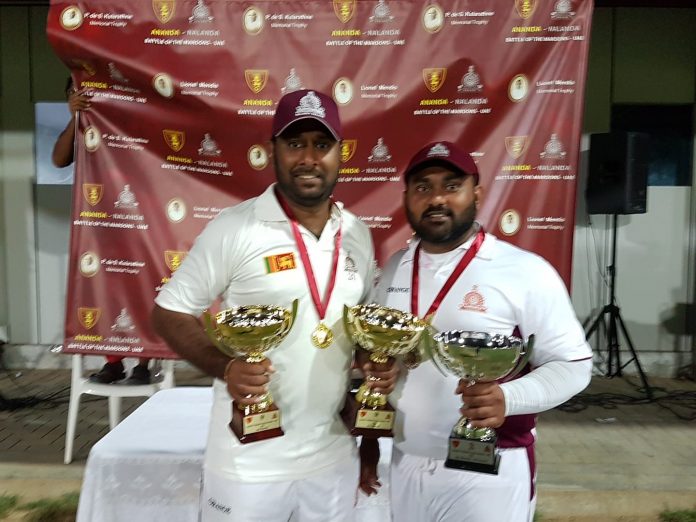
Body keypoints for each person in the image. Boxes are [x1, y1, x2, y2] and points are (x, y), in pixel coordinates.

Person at [151, 89, 397, 522]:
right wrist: (226, 367)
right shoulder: (235, 227)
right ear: (272, 151)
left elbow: (352, 330)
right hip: (248, 463)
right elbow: (169, 311)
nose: (309, 158)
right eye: (295, 143)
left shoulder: (357, 233)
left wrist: (372, 362)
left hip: (331, 457)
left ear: (340, 154)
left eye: (321, 145)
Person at [359, 141, 593, 522]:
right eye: (423, 187)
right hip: (405, 460)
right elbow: (385, 356)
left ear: (477, 194)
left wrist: (508, 398)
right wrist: (379, 380)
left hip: (490, 468)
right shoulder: (394, 268)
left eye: (452, 186)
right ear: (406, 198)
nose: (436, 198)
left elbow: (574, 365)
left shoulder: (523, 270)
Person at [53, 77, 152, 385]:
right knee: (106, 287)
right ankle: (113, 361)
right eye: (73, 92)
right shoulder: (83, 125)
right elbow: (58, 159)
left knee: (144, 285)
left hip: (142, 216)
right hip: (100, 220)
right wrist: (75, 118)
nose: (81, 96)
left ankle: (145, 362)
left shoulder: (128, 119)